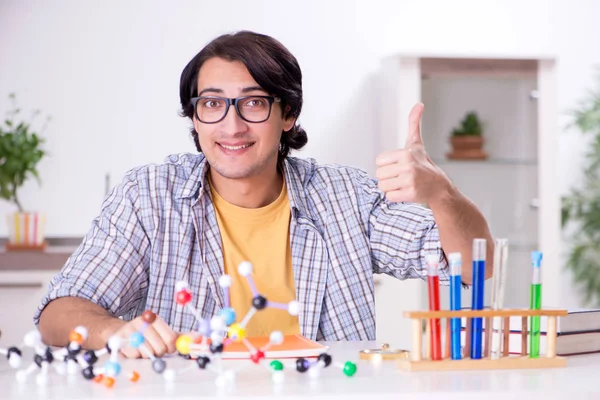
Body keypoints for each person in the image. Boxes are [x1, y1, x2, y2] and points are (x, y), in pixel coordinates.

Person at [35, 30, 494, 358]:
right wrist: (112, 330)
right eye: (212, 104)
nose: (231, 126)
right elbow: (57, 314)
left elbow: (478, 265)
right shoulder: (148, 195)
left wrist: (441, 192)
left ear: (287, 113)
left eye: (253, 103)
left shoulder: (345, 197)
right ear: (194, 117)